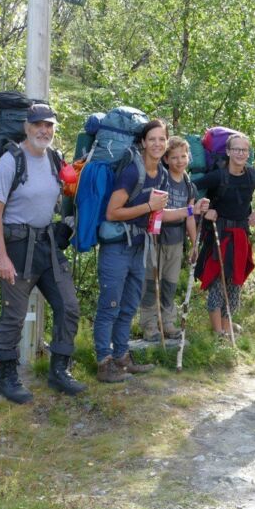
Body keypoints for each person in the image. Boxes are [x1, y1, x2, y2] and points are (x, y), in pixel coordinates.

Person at [95, 120, 209, 382]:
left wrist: (192, 210)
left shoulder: (160, 174)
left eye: (162, 139)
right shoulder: (132, 172)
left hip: (139, 246)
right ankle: (104, 363)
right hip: (117, 247)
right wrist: (148, 206)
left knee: (129, 305)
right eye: (153, 139)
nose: (158, 144)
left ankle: (122, 357)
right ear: (144, 142)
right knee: (110, 306)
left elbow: (159, 213)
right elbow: (113, 212)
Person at [0, 103, 85, 404]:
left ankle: (59, 372)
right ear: (27, 128)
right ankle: (8, 378)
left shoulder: (55, 159)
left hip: (48, 244)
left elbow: (65, 193)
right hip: (17, 246)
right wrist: (1, 256)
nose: (44, 130)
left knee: (69, 306)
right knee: (14, 315)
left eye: (49, 125)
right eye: (38, 125)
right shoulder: (10, 161)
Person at [194, 133, 255, 337]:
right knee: (218, 281)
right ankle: (218, 332)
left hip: (241, 236)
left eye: (244, 150)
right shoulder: (219, 175)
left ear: (249, 153)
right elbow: (193, 187)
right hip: (219, 235)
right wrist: (203, 208)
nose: (240, 153)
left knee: (235, 281)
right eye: (236, 149)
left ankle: (227, 327)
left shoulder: (252, 175)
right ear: (228, 152)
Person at [146, 136, 202, 341]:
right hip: (156, 239)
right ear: (166, 159)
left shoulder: (189, 185)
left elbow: (190, 217)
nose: (180, 161)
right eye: (174, 157)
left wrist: (194, 243)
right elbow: (158, 210)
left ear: (189, 157)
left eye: (183, 156)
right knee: (152, 282)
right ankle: (150, 325)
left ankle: (167, 323)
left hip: (176, 241)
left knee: (169, 283)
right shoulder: (162, 179)